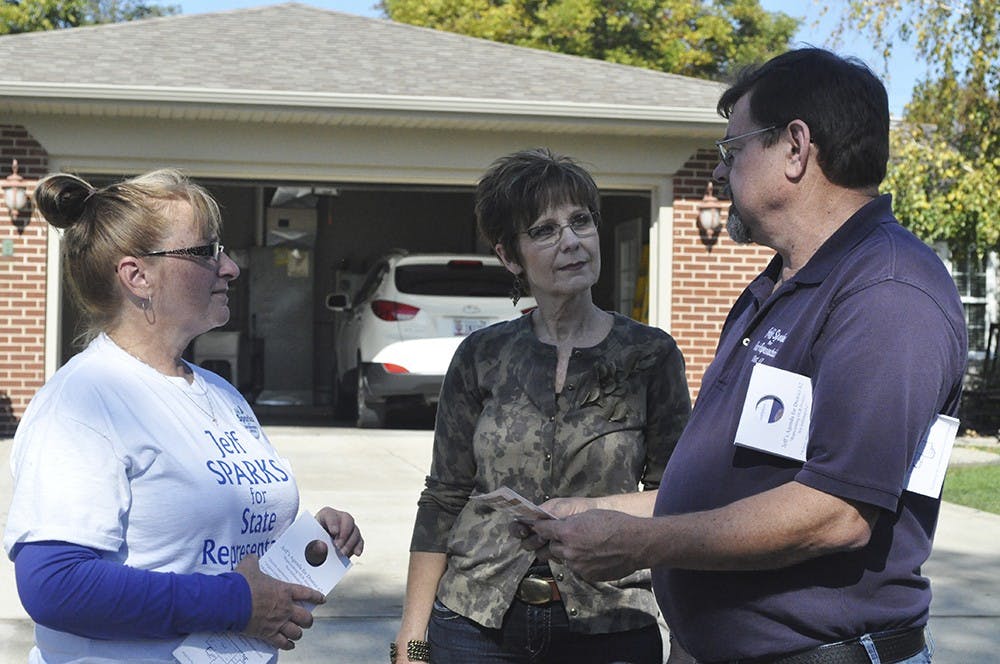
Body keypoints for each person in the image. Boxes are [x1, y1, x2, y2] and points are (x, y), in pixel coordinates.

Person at [524, 49, 967, 664]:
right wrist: (594, 512)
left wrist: (644, 544)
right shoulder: (778, 286)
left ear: (795, 148)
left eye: (732, 153)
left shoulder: (887, 290)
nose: (718, 176)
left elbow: (835, 512)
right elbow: (736, 484)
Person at [3, 169, 364, 663]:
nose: (231, 267)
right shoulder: (84, 400)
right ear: (137, 276)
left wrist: (308, 540)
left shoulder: (218, 393)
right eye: (205, 252)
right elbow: (55, 584)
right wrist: (235, 605)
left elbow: (210, 540)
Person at [392, 148, 691, 664]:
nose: (571, 241)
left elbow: (679, 502)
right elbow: (443, 498)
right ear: (510, 256)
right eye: (545, 230)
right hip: (473, 625)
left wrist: (686, 642)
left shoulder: (650, 356)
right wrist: (413, 644)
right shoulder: (481, 356)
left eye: (580, 221)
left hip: (611, 624)